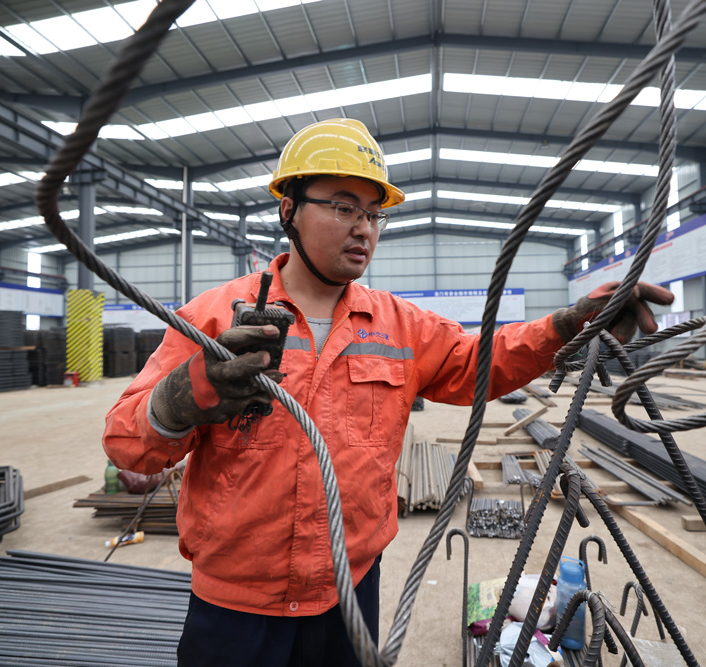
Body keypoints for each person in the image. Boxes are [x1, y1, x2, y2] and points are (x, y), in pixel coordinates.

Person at [102, 118, 674, 667]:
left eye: (374, 215)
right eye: (343, 207)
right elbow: (129, 446)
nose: (364, 229)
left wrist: (566, 325)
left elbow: (484, 361)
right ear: (288, 209)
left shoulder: (398, 326)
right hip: (236, 604)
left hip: (348, 594)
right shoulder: (211, 318)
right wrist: (184, 394)